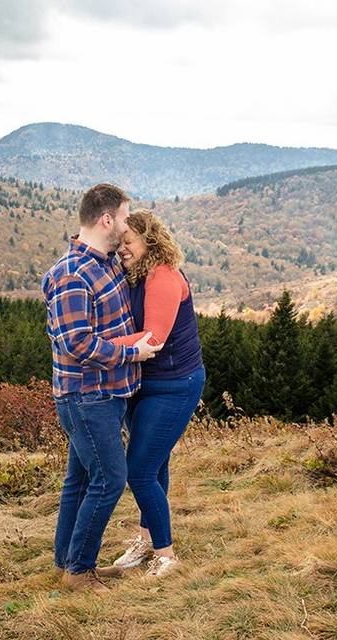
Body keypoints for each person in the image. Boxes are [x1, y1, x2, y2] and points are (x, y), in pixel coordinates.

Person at [42, 184, 163, 593]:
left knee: (79, 481)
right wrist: (132, 355)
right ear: (107, 219)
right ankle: (80, 572)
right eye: (126, 217)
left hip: (108, 395)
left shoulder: (107, 263)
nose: (129, 224)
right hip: (85, 397)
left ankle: (66, 563)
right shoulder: (70, 275)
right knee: (110, 479)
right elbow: (76, 343)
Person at [109, 209, 205, 579]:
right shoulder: (134, 274)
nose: (122, 249)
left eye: (128, 242)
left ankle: (165, 554)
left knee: (140, 469)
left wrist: (96, 346)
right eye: (119, 243)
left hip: (174, 385)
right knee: (155, 465)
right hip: (143, 383)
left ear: (149, 241)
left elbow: (154, 339)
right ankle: (148, 538)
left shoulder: (163, 277)